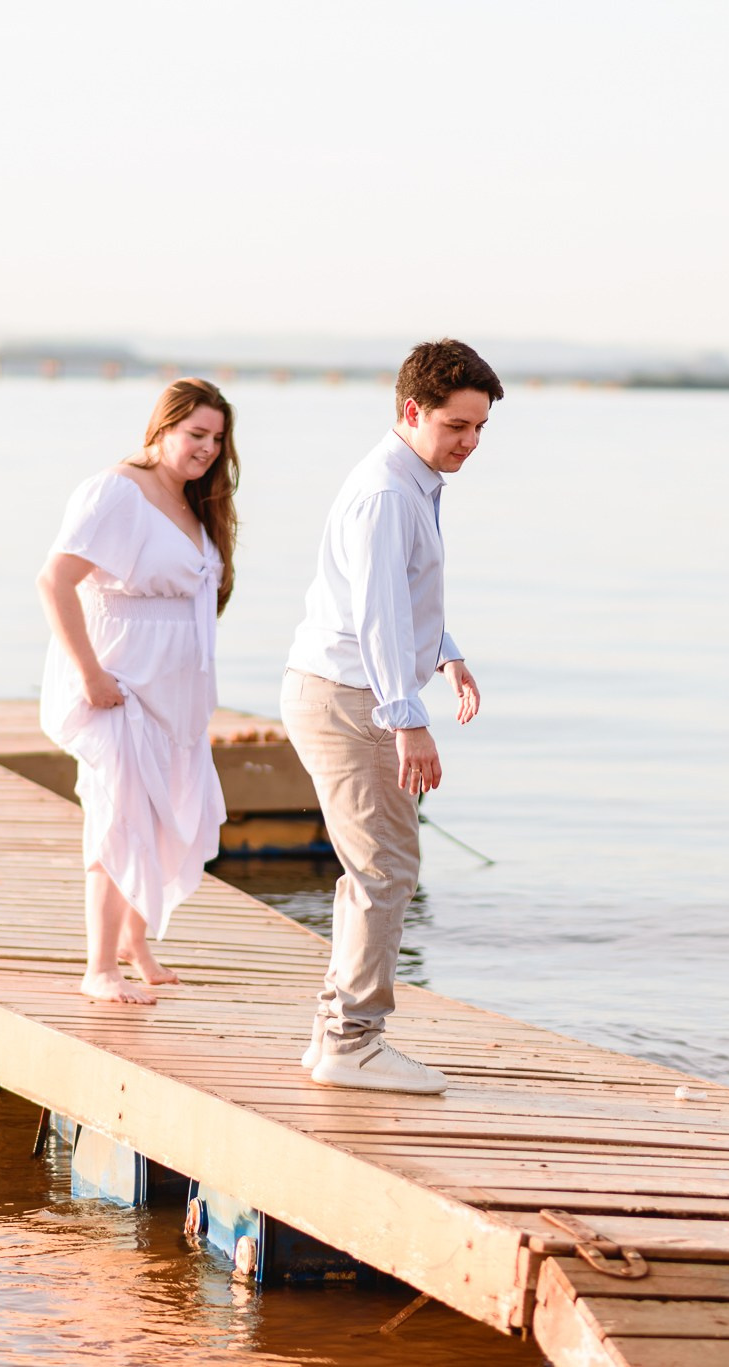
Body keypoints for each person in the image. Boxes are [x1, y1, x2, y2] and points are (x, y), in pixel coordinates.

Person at [281, 339, 498, 1094]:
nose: (470, 443)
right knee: (387, 868)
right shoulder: (388, 494)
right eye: (456, 426)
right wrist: (407, 718)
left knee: (373, 867)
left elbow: (400, 599)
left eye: (479, 428)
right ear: (413, 410)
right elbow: (375, 615)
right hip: (352, 698)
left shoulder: (411, 481)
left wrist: (446, 653)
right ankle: (353, 1042)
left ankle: (334, 1034)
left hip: (345, 688)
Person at [36, 378, 239, 1005]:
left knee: (161, 814)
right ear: (162, 428)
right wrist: (91, 674)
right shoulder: (117, 491)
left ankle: (135, 943)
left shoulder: (192, 500)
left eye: (217, 439)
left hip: (175, 692)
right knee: (118, 813)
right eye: (196, 434)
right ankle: (99, 967)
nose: (207, 449)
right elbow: (54, 581)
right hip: (119, 681)